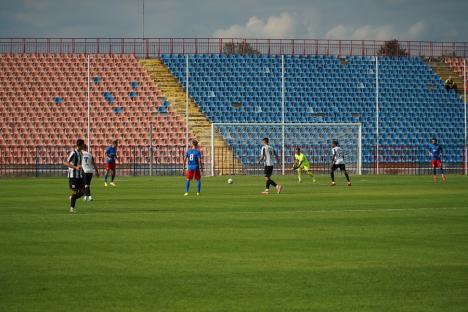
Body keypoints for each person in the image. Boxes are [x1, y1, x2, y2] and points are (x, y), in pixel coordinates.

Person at [63, 139, 85, 213]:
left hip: (80, 176)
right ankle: (72, 208)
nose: (84, 145)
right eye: (83, 144)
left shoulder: (81, 153)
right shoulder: (73, 153)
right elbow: (65, 163)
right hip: (73, 176)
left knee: (83, 192)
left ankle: (72, 198)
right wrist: (75, 167)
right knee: (76, 192)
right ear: (81, 145)